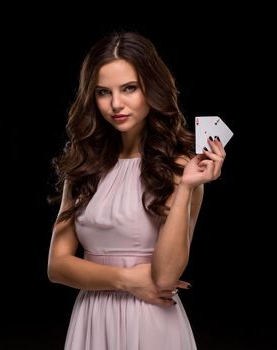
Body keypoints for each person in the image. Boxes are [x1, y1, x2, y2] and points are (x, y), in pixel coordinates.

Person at [47, 31, 226, 350]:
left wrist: (186, 188)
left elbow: (166, 277)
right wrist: (127, 280)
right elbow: (57, 266)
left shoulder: (180, 167)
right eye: (104, 92)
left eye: (129, 88)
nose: (116, 104)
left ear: (151, 88)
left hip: (150, 319)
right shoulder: (84, 163)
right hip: (92, 318)